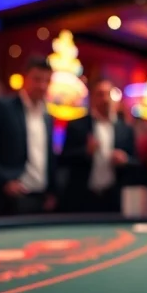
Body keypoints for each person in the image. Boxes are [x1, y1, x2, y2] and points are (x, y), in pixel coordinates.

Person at [0, 56, 57, 216]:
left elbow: (48, 157)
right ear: (24, 78)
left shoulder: (48, 116)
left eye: (47, 81)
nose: (42, 86)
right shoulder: (3, 107)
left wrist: (52, 191)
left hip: (40, 199)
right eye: (37, 79)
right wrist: (4, 181)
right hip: (9, 198)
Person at [60, 78, 136, 212]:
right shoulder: (77, 126)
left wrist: (125, 159)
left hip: (113, 199)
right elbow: (64, 159)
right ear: (93, 98)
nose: (105, 99)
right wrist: (86, 151)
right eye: (100, 94)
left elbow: (136, 161)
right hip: (82, 198)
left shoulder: (125, 129)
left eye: (108, 94)